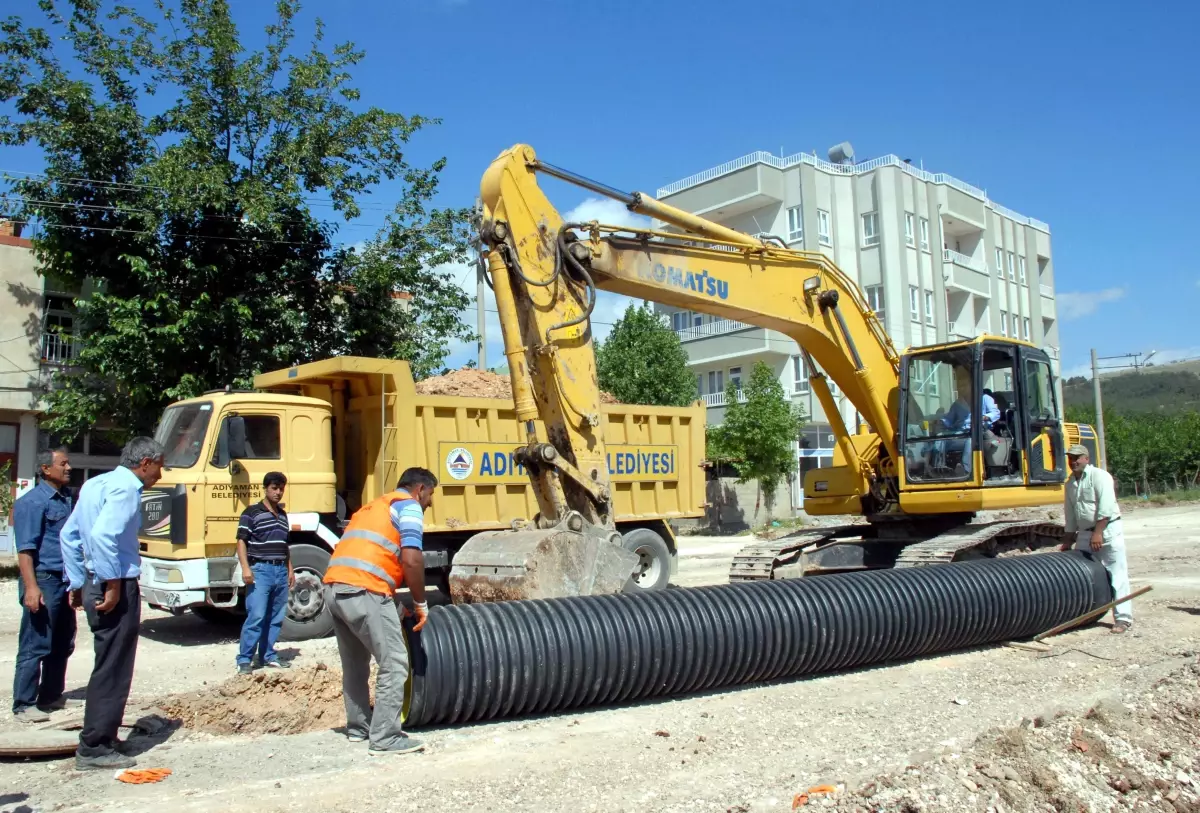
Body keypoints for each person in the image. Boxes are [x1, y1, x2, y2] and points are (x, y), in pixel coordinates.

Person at [61, 437, 167, 770]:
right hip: (114, 583)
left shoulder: (95, 485)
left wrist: (78, 581)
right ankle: (94, 746)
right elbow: (103, 537)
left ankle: (102, 735)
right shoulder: (126, 490)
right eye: (159, 468)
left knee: (107, 661)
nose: (159, 477)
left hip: (96, 580)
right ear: (146, 462)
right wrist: (113, 584)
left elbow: (70, 535)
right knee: (114, 667)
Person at [323, 467, 437, 756]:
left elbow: (371, 557)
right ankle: (385, 737)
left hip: (335, 589)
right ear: (419, 489)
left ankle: (358, 728)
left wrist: (395, 606)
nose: (430, 503)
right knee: (395, 661)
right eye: (430, 495)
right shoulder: (409, 506)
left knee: (355, 665)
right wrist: (420, 604)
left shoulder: (373, 507)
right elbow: (411, 560)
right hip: (364, 589)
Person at [11, 448, 77, 723]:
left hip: (63, 580)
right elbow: (25, 550)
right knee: (35, 642)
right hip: (43, 580)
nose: (69, 467)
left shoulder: (65, 499)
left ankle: (50, 696)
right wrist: (31, 588)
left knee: (62, 642)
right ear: (46, 469)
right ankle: (24, 704)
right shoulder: (33, 502)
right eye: (63, 463)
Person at [1060, 444, 1132, 633]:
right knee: (1082, 574)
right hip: (1085, 533)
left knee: (1116, 573)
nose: (1073, 461)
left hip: (1107, 530)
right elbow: (1071, 514)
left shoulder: (1100, 476)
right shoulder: (1070, 484)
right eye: (1070, 458)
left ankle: (1123, 618)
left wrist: (1098, 533)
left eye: (1077, 457)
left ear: (1087, 459)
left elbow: (1106, 507)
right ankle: (1085, 615)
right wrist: (1068, 540)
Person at [235, 472, 295, 674]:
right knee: (257, 615)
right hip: (260, 570)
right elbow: (241, 541)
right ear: (266, 488)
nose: (278, 492)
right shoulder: (251, 513)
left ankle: (267, 655)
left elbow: (284, 545)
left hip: (280, 570)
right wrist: (245, 568)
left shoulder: (283, 515)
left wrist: (290, 569)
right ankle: (244, 659)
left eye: (281, 488)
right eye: (274, 488)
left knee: (276, 616)